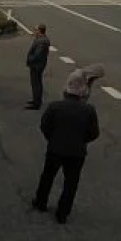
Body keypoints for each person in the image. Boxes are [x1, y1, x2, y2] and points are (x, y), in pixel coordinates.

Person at [32, 72, 100, 223]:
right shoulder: (88, 110)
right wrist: (82, 141)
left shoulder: (55, 106)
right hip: (77, 152)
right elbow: (94, 133)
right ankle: (63, 212)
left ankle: (41, 201)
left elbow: (45, 126)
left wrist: (52, 138)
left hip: (55, 148)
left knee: (47, 176)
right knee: (71, 182)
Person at [25, 24, 50, 110]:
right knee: (36, 83)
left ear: (39, 31)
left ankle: (36, 103)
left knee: (36, 84)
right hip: (38, 64)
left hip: (37, 65)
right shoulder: (40, 39)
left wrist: (30, 59)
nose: (34, 32)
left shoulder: (41, 41)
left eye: (35, 30)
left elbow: (37, 54)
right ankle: (35, 99)